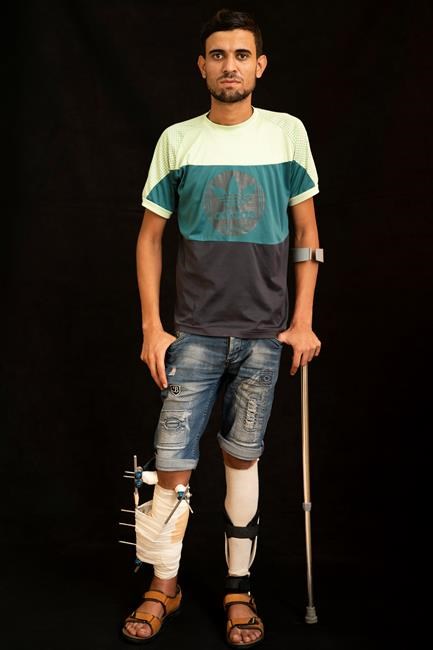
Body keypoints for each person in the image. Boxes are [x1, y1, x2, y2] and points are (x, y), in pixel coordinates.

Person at [122, 8, 322, 647]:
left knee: (243, 460)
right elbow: (149, 239)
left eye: (240, 55)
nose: (229, 65)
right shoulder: (178, 140)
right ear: (202, 66)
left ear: (259, 66)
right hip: (194, 333)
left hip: (265, 334)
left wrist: (303, 321)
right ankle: (165, 587)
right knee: (171, 465)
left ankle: (239, 590)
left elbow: (307, 236)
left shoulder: (287, 133)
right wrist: (153, 327)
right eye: (217, 55)